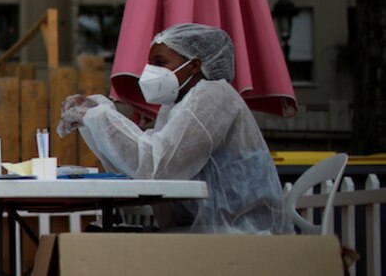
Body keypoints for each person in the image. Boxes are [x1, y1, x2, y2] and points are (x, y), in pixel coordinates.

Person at [58, 23, 290, 234]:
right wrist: (95, 118)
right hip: (203, 231)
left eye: (160, 63)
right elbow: (140, 165)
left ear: (194, 66)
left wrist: (100, 117)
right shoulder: (175, 106)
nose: (150, 71)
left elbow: (156, 165)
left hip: (240, 235)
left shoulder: (214, 96)